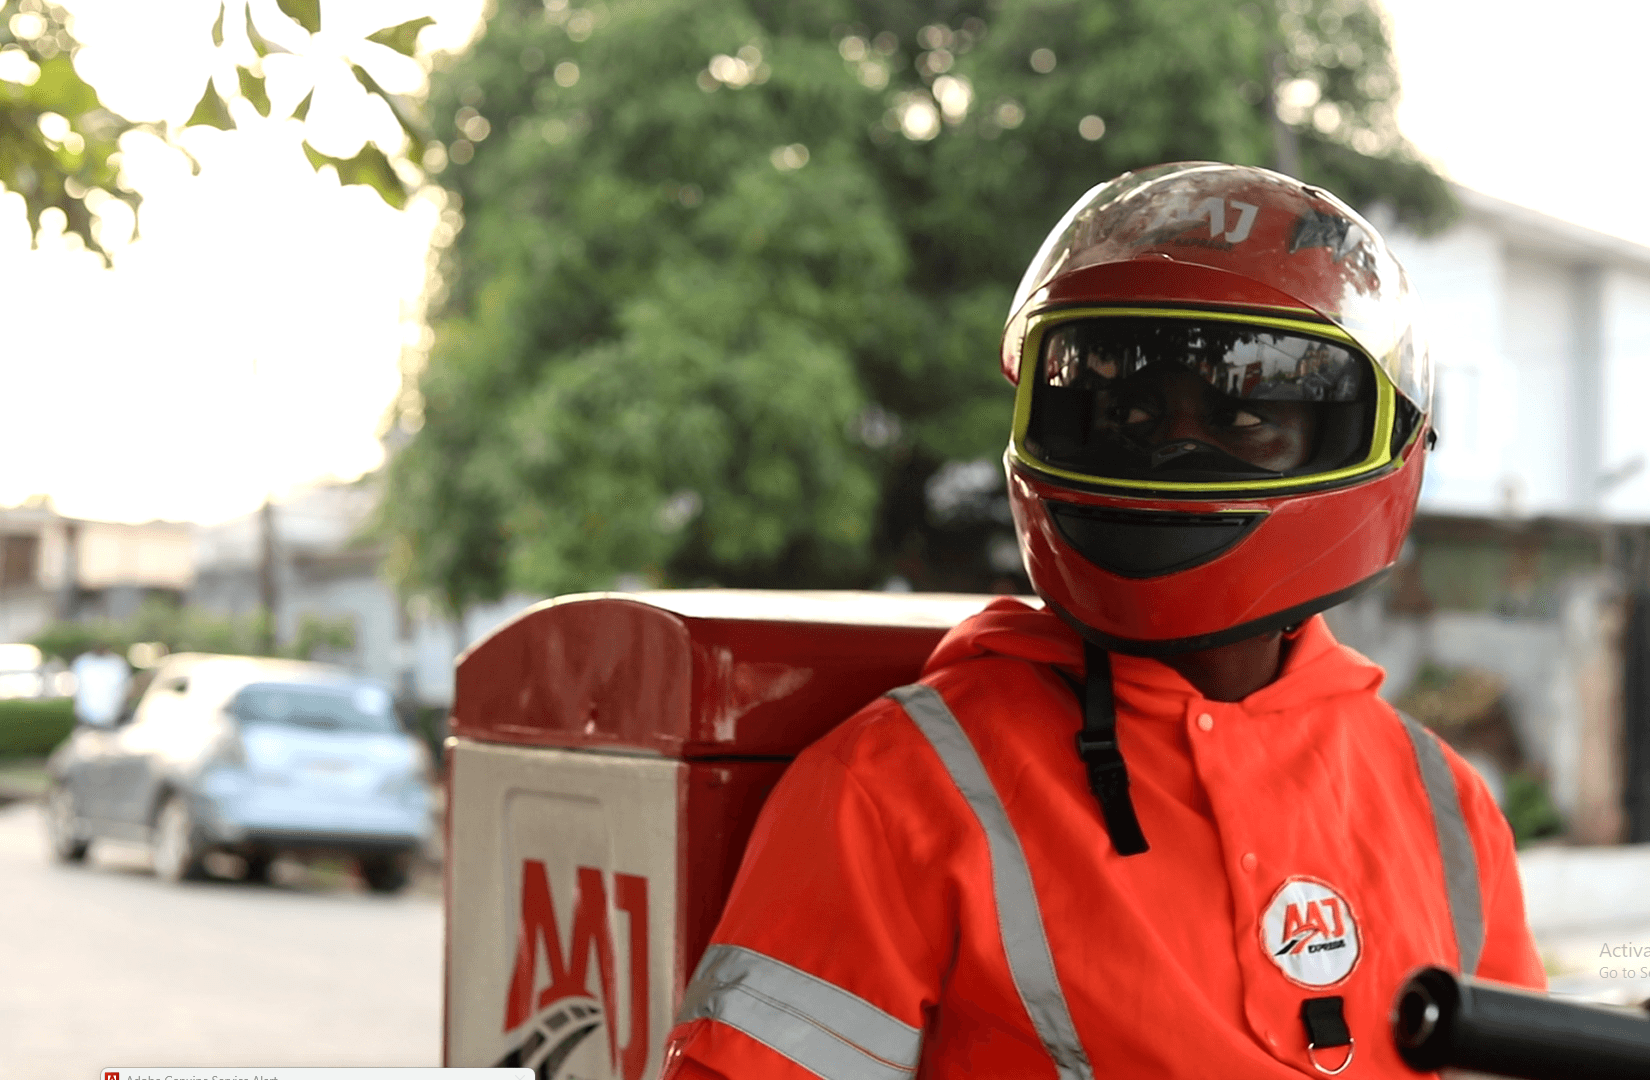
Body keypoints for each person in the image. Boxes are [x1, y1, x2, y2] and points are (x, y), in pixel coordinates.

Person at [659, 163, 1544, 1079]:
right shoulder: (896, 789)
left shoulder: (1444, 805)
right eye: (1126, 413)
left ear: (1379, 440)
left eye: (1243, 417)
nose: (1170, 451)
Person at [70, 640, 131, 728]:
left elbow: (125, 691)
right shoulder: (82, 662)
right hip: (86, 720)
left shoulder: (117, 663)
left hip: (111, 720)